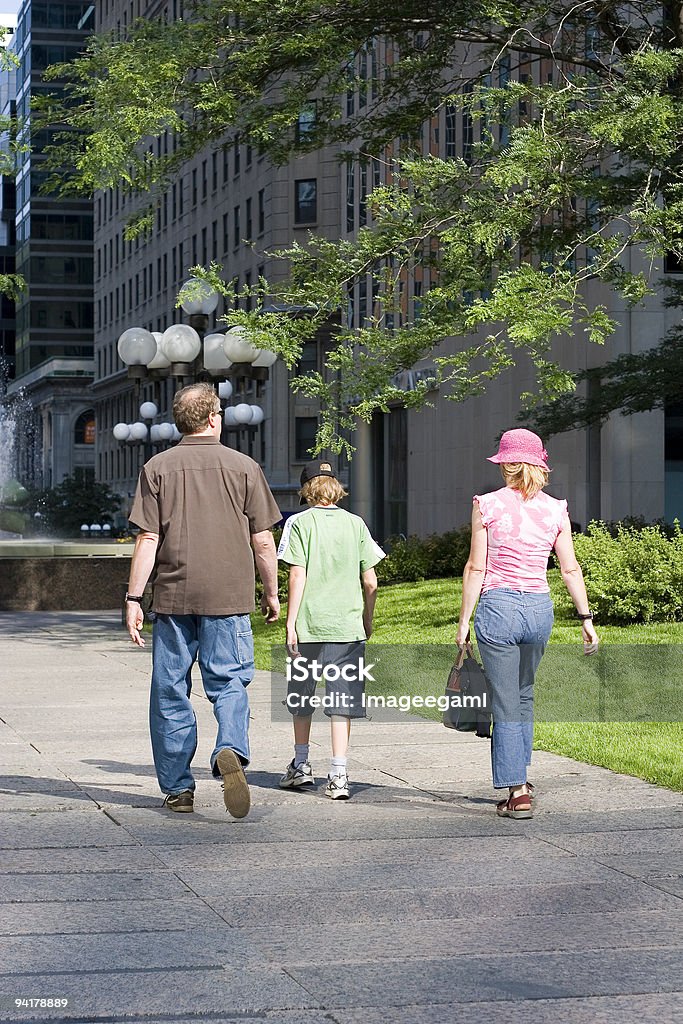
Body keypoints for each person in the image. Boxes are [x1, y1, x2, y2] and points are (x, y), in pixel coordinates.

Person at [125, 382, 281, 818]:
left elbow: (148, 538)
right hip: (229, 596)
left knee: (170, 689)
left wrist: (134, 597)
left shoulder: (157, 467)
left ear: (180, 422)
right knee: (229, 682)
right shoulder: (244, 467)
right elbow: (263, 540)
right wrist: (271, 591)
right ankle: (229, 747)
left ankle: (178, 790)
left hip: (173, 598)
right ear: (215, 418)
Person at [456, 428, 599, 820]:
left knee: (504, 701)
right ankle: (520, 772)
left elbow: (476, 567)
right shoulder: (556, 509)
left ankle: (516, 790)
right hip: (539, 610)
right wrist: (586, 618)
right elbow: (569, 568)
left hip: (499, 608)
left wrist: (464, 621)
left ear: (506, 465)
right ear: (539, 465)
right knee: (522, 694)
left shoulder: (486, 505)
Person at [277, 460, 385, 800]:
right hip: (347, 626)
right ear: (335, 487)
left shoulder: (298, 523)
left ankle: (302, 764)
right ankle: (339, 776)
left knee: (301, 695)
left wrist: (290, 623)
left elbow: (297, 575)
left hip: (310, 623)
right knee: (342, 700)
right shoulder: (356, 524)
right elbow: (371, 581)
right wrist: (366, 619)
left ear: (306, 488)